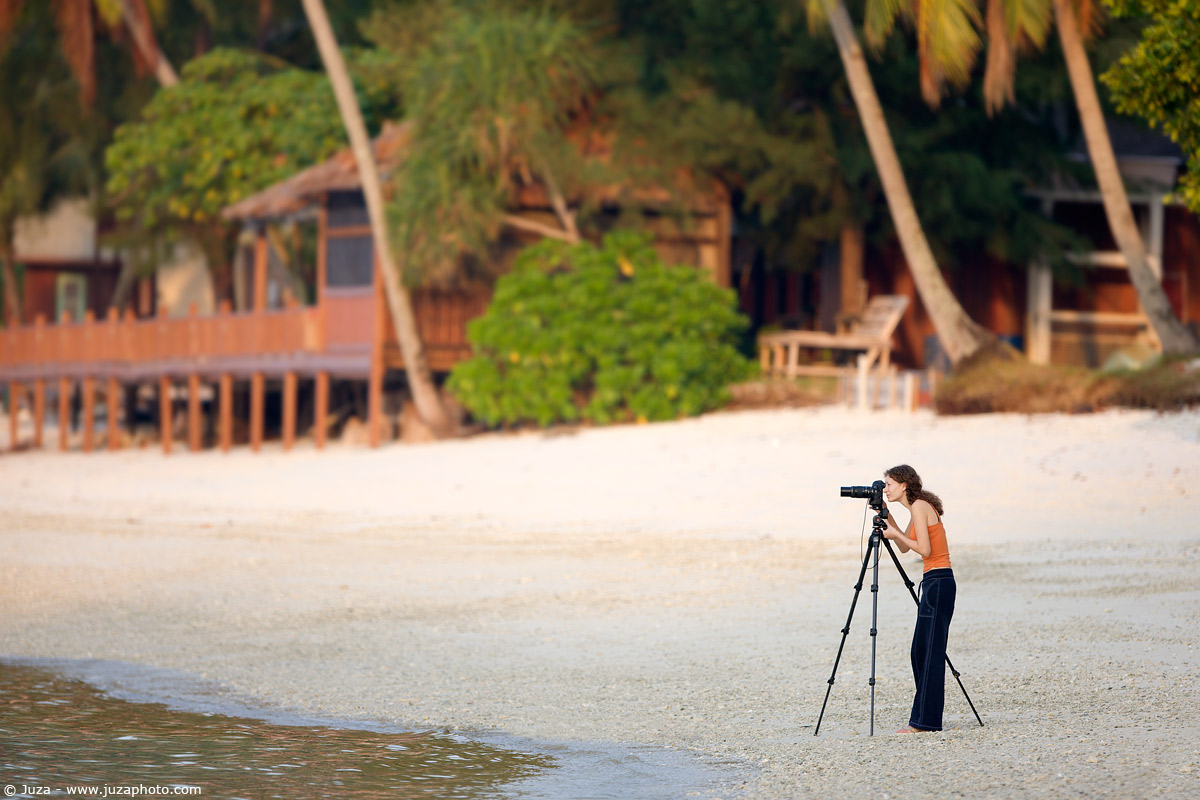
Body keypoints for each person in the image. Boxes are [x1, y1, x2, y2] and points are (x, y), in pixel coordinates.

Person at [881, 464, 955, 734]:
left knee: (930, 654)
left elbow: (923, 548)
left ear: (903, 484)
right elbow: (903, 546)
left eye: (888, 484)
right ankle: (926, 716)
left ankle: (925, 723)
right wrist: (888, 518)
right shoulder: (917, 509)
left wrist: (897, 534)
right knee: (920, 652)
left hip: (940, 582)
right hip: (934, 582)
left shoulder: (921, 505)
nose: (885, 489)